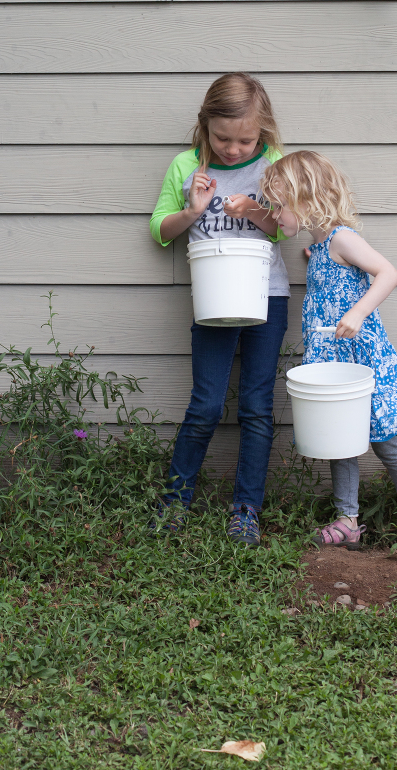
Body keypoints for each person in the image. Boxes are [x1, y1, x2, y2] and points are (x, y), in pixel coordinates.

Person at [260, 150, 397, 554]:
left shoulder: (342, 237)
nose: (274, 215)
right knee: (340, 438)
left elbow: (388, 273)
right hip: (335, 363)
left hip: (364, 359)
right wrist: (315, 260)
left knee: (387, 440)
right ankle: (347, 521)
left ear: (304, 199)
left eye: (278, 205)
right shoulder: (321, 245)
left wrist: (358, 311)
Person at [149, 72, 289, 546]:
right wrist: (193, 209)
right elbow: (160, 230)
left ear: (263, 132)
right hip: (211, 298)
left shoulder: (274, 164)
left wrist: (253, 210)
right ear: (205, 126)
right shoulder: (185, 166)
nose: (233, 150)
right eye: (223, 138)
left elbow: (285, 228)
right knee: (205, 404)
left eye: (245, 140)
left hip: (266, 295)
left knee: (255, 406)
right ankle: (175, 502)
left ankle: (246, 509)